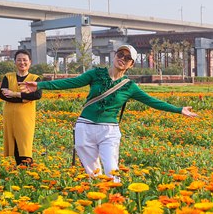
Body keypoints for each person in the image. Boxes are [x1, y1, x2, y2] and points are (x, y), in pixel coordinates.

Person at [20, 44, 198, 179]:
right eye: (120, 54)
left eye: (127, 58)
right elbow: (69, 82)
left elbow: (152, 101)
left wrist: (178, 109)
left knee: (111, 168)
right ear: (114, 56)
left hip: (109, 130)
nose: (122, 58)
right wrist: (39, 84)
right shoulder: (96, 74)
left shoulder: (129, 86)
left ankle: (116, 200)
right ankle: (98, 204)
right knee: (92, 172)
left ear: (131, 65)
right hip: (85, 126)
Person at [0, 50, 42, 165]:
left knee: (25, 142)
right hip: (10, 116)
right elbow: (3, 95)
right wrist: (25, 99)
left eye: (25, 60)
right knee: (14, 143)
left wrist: (14, 94)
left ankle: (27, 168)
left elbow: (37, 95)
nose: (22, 62)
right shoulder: (8, 77)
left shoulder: (35, 78)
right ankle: (19, 168)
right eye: (19, 60)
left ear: (30, 62)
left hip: (25, 117)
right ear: (15, 62)